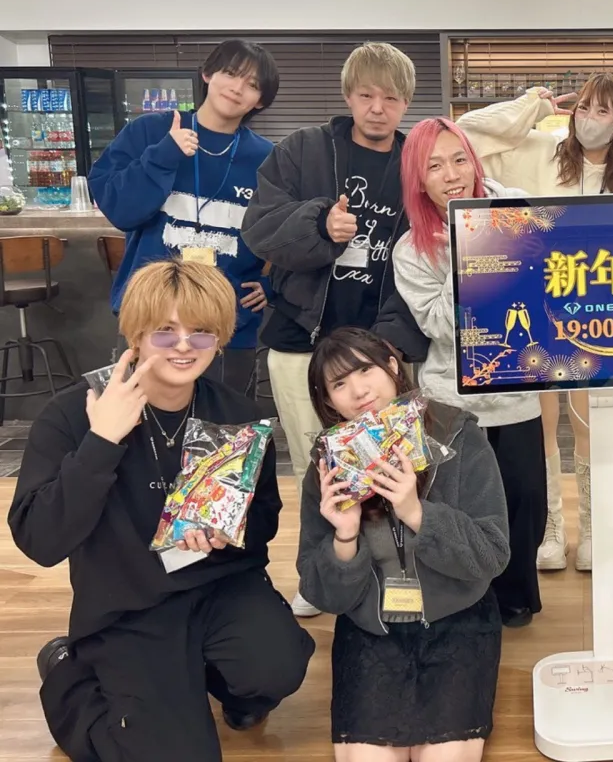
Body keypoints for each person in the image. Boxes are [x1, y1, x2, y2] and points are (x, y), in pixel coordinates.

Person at [9, 259, 314, 762]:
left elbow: (263, 519)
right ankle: (66, 671)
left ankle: (218, 685)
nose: (183, 346)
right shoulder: (74, 413)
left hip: (219, 585)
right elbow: (39, 539)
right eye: (164, 331)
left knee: (276, 667)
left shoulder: (236, 414)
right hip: (128, 602)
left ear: (220, 338)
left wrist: (230, 531)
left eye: (201, 332)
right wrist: (102, 442)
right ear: (135, 334)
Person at [241, 41, 430, 618]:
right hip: (302, 342)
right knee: (316, 466)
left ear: (406, 103)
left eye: (391, 98)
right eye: (366, 95)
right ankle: (323, 573)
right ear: (348, 96)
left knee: (396, 463)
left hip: (381, 350)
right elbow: (260, 229)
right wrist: (319, 224)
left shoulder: (416, 161)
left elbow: (428, 252)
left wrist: (393, 343)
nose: (378, 108)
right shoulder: (303, 150)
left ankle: (394, 566)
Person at [296, 327, 509, 761]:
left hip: (458, 623)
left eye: (365, 370)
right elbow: (322, 595)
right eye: (339, 384)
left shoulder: (457, 434)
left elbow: (492, 554)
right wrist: (344, 535)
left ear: (392, 367)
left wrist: (416, 512)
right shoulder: (330, 464)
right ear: (328, 401)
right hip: (372, 633)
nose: (358, 390)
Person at [457, 72, 613, 573]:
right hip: (536, 309)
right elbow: (466, 135)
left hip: (602, 317)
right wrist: (530, 106)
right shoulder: (540, 149)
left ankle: (594, 529)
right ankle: (552, 527)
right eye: (583, 107)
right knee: (541, 423)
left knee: (592, 423)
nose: (588, 119)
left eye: (602, 111)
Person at [393, 117, 545, 628]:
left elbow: (549, 273)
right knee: (461, 508)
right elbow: (440, 325)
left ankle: (516, 598)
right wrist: (473, 245)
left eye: (459, 159)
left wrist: (497, 229)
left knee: (525, 502)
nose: (451, 174)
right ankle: (468, 599)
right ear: (419, 180)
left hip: (517, 389)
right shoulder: (411, 250)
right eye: (434, 166)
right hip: (451, 401)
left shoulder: (515, 207)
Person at [88, 39, 280, 393]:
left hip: (226, 326)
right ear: (207, 74)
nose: (237, 88)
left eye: (252, 84)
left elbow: (288, 232)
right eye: (230, 73)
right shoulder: (149, 133)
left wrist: (275, 283)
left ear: (261, 100)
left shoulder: (268, 159)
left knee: (223, 421)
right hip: (151, 318)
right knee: (138, 418)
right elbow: (120, 209)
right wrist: (164, 156)